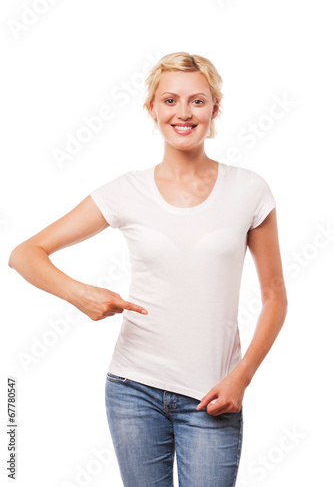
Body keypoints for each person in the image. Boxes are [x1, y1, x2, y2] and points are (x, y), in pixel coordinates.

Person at [8, 51, 288, 487]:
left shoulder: (249, 189)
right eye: (170, 100)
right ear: (152, 109)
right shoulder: (126, 191)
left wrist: (242, 377)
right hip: (132, 389)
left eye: (197, 101)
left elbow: (274, 295)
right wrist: (79, 293)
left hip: (213, 396)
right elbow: (25, 253)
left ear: (215, 109)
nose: (183, 113)